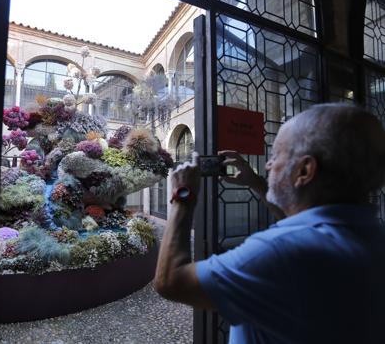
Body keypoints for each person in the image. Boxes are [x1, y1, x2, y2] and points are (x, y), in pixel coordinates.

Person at [154, 103, 385, 344]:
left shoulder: (281, 251)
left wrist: (183, 196)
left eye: (276, 156)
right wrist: (256, 183)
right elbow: (302, 226)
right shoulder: (369, 236)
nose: (268, 165)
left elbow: (172, 281)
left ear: (305, 170)